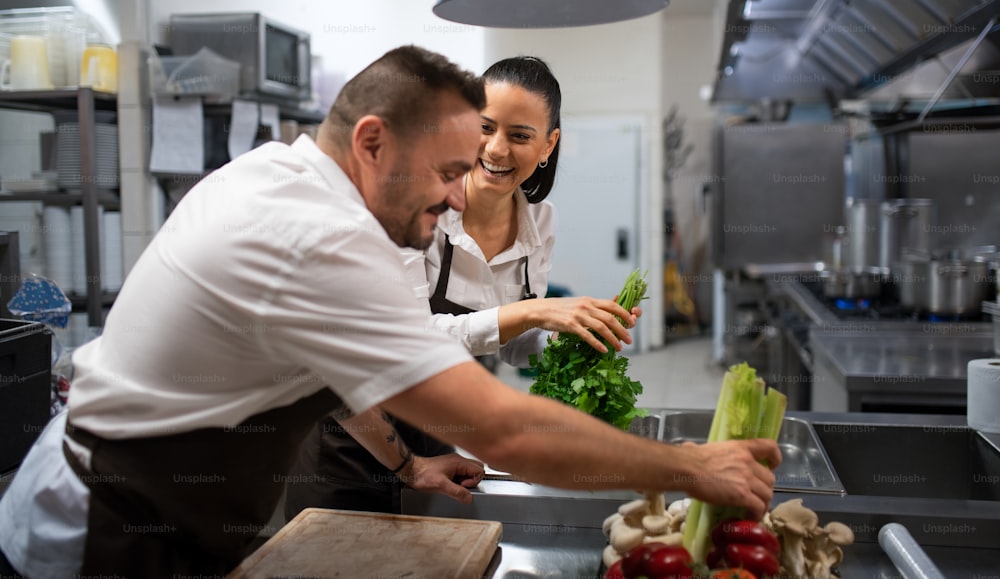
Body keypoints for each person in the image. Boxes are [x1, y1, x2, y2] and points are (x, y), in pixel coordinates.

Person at [0, 45, 780, 578]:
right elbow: (504, 427)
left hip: (148, 516)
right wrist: (694, 467)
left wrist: (409, 464)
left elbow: (346, 371)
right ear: (372, 141)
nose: (456, 194)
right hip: (99, 532)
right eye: (448, 169)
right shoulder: (318, 236)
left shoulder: (286, 179)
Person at [284, 55, 644, 516]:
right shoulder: (421, 207)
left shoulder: (540, 222)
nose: (496, 149)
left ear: (549, 145)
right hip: (350, 447)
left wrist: (572, 330)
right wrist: (533, 312)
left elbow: (515, 347)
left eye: (520, 136)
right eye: (485, 127)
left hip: (435, 429)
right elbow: (409, 343)